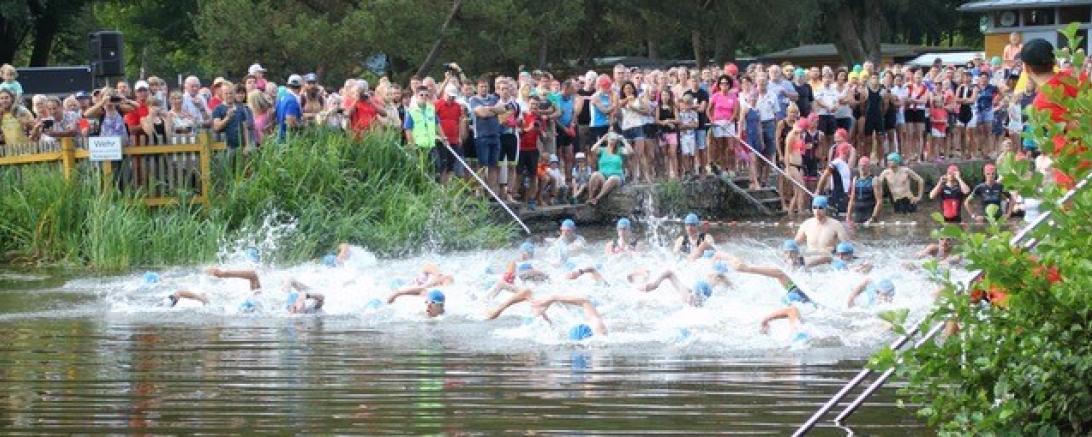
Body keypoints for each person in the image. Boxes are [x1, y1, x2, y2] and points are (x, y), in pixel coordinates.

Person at [724, 256, 813, 334]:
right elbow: (780, 274)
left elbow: (792, 310)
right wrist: (748, 269)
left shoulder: (796, 319)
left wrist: (748, 269)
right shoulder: (810, 310)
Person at [469, 77, 506, 196]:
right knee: (482, 165)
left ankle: (491, 192)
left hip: (495, 135)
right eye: (481, 86)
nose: (484, 89)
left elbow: (502, 109)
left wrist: (489, 109)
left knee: (493, 165)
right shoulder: (474, 99)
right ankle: (480, 190)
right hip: (481, 136)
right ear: (477, 87)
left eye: (485, 86)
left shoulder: (494, 98)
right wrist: (493, 111)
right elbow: (482, 114)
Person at [403, 85, 449, 177]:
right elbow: (408, 129)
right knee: (423, 170)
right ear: (416, 96)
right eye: (421, 95)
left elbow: (437, 124)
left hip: (431, 144)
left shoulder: (431, 109)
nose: (424, 97)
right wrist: (411, 144)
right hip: (419, 146)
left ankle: (436, 184)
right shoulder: (411, 111)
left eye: (426, 95)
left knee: (437, 167)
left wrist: (444, 137)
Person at [585, 132, 632, 205]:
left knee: (612, 178)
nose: (612, 141)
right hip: (603, 176)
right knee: (595, 174)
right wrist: (602, 139)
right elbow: (593, 149)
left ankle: (597, 198)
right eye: (611, 139)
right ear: (608, 140)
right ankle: (590, 197)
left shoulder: (619, 150)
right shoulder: (602, 150)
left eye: (614, 139)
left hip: (617, 177)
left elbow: (630, 151)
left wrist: (623, 140)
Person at [211, 83, 256, 150]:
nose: (229, 95)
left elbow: (245, 128)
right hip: (225, 148)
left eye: (231, 93)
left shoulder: (240, 108)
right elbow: (216, 127)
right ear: (222, 94)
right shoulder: (218, 109)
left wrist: (247, 145)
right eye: (226, 93)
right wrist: (227, 118)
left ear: (234, 94)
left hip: (240, 147)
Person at [816, 142, 853, 216]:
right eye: (849, 151)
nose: (850, 154)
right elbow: (824, 176)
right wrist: (818, 190)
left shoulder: (845, 164)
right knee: (839, 215)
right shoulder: (836, 163)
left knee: (844, 215)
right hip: (837, 194)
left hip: (845, 195)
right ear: (846, 151)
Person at [846, 156, 882, 224]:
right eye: (860, 165)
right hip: (858, 213)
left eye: (864, 166)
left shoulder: (874, 180)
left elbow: (879, 201)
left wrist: (873, 218)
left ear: (869, 167)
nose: (862, 168)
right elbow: (851, 200)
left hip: (869, 212)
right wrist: (848, 217)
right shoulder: (855, 179)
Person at [276, 75, 304, 140]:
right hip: (288, 139)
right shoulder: (292, 101)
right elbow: (290, 120)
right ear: (300, 87)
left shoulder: (282, 97)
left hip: (280, 135)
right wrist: (302, 126)